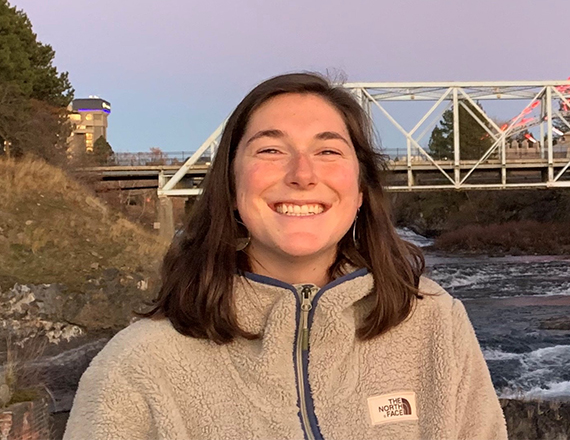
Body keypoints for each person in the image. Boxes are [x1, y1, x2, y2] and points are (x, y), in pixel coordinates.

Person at [63, 73, 508, 440]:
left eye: (329, 150)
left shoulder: (439, 328)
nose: (302, 174)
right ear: (233, 188)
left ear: (359, 192)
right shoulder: (136, 369)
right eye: (271, 150)